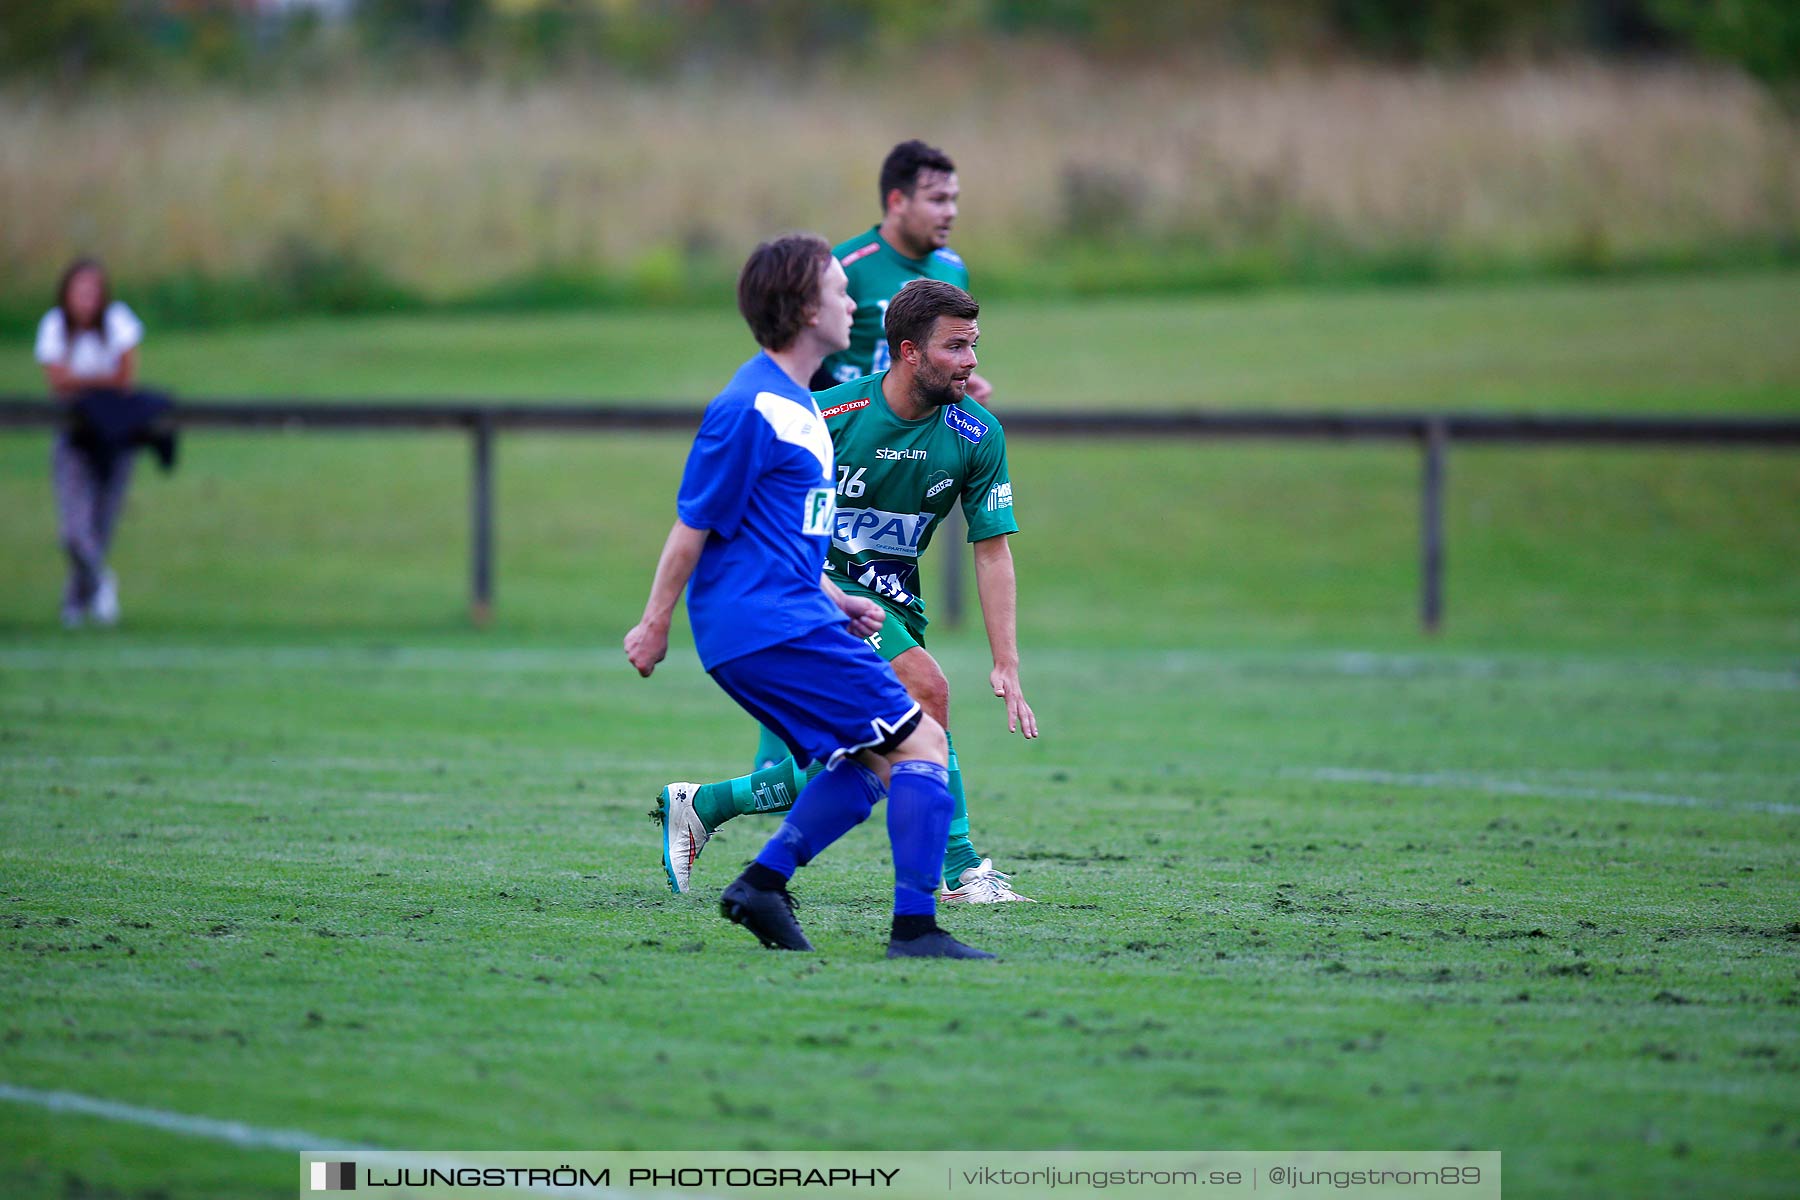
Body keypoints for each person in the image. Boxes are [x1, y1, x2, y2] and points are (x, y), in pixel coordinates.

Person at [624, 234, 994, 960]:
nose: (853, 303)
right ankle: (915, 929)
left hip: (790, 615)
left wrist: (833, 596)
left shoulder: (800, 406)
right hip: (766, 626)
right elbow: (694, 524)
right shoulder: (752, 407)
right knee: (922, 739)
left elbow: (777, 538)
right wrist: (654, 622)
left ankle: (762, 883)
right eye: (838, 291)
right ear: (803, 308)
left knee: (866, 765)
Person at [814, 139, 993, 401]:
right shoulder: (842, 268)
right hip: (849, 427)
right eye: (937, 200)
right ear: (897, 201)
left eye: (953, 200)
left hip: (918, 428)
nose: (951, 212)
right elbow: (804, 356)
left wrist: (956, 379)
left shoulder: (952, 269)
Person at [35, 259, 152, 629]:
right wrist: (102, 382)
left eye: (93, 292)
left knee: (100, 526)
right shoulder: (55, 326)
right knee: (74, 529)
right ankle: (100, 582)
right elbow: (58, 383)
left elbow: (125, 378)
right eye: (79, 291)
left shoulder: (117, 321)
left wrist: (83, 383)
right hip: (73, 436)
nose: (86, 299)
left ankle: (75, 602)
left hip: (114, 435)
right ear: (66, 295)